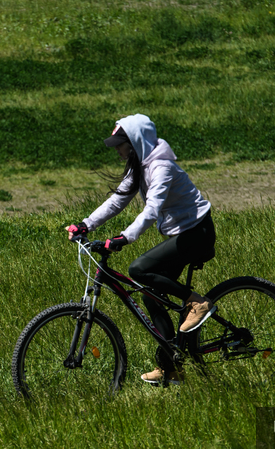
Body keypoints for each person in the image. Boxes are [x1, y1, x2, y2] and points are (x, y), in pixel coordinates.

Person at [65, 114, 216, 386]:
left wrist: (123, 238)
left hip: (197, 233)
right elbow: (117, 201)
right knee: (150, 295)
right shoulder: (141, 166)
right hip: (182, 234)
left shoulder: (161, 167)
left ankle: (198, 303)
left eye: (120, 144)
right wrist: (85, 224)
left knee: (138, 269)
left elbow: (151, 211)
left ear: (135, 142)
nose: (117, 150)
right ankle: (171, 365)